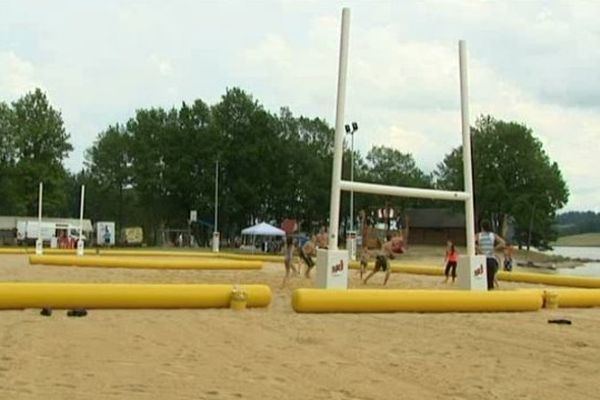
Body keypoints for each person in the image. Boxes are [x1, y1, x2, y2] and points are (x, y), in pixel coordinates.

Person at [475, 220, 506, 290]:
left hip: (481, 259)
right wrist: (494, 249)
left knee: (479, 278)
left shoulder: (479, 235)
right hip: (491, 259)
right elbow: (503, 243)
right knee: (490, 281)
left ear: (482, 227)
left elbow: (471, 242)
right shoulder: (493, 235)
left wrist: (478, 248)